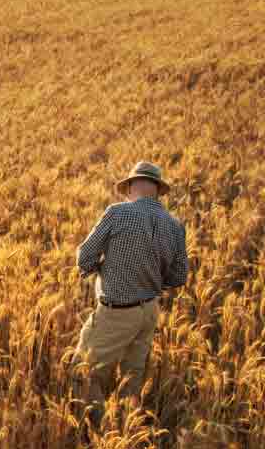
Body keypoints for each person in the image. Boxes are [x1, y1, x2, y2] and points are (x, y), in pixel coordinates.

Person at [74, 160, 190, 411]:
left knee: (83, 373)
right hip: (149, 311)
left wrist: (102, 269)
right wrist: (151, 279)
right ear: (158, 190)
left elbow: (84, 257)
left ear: (129, 187)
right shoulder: (174, 225)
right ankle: (128, 433)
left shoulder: (117, 213)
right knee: (132, 380)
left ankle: (102, 433)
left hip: (117, 312)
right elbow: (180, 275)